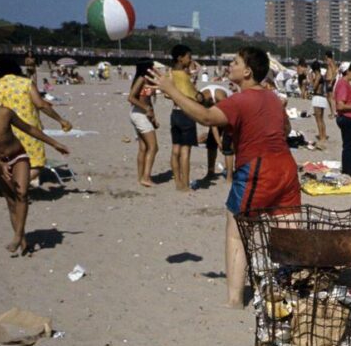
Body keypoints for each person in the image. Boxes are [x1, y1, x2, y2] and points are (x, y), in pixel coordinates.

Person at [149, 47, 302, 308]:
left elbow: (207, 118)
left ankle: (234, 299)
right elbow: (285, 128)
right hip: (287, 168)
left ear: (247, 71)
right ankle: (293, 290)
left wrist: (171, 90)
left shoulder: (240, 100)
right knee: (289, 231)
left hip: (258, 170)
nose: (230, 65)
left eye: (235, 62)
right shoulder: (274, 99)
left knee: (237, 231)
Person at [0, 76, 69, 256]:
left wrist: (54, 143)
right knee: (11, 202)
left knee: (22, 193)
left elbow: (29, 129)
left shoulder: (5, 112)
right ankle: (23, 241)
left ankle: (18, 235)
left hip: (17, 155)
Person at [0, 59, 71, 184]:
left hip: (4, 130)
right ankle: (18, 186)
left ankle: (14, 185)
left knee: (13, 162)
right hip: (29, 130)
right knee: (36, 164)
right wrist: (60, 120)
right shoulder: (26, 83)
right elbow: (41, 105)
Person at [168, 45, 201, 191]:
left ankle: (178, 183)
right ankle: (186, 185)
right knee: (185, 151)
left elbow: (167, 93)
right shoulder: (182, 76)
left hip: (174, 113)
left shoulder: (170, 73)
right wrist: (200, 96)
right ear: (180, 58)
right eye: (188, 56)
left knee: (175, 149)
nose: (190, 59)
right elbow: (193, 96)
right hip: (186, 113)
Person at [126, 59, 159, 187]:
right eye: (152, 67)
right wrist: (146, 109)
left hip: (142, 114)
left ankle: (141, 177)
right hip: (138, 114)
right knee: (154, 147)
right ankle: (146, 177)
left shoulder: (147, 81)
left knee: (144, 148)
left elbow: (147, 100)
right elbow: (131, 97)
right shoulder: (141, 79)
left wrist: (153, 117)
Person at [199, 82, 234, 178]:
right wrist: (218, 142)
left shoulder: (221, 96)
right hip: (219, 114)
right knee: (211, 145)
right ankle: (210, 172)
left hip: (231, 116)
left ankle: (229, 175)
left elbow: (230, 116)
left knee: (228, 147)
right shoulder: (200, 96)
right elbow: (213, 124)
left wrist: (223, 141)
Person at [308, 60, 330, 147]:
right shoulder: (321, 76)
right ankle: (323, 135)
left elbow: (313, 87)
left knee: (318, 119)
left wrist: (310, 80)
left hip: (317, 98)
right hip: (322, 98)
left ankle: (321, 137)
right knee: (321, 119)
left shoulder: (317, 76)